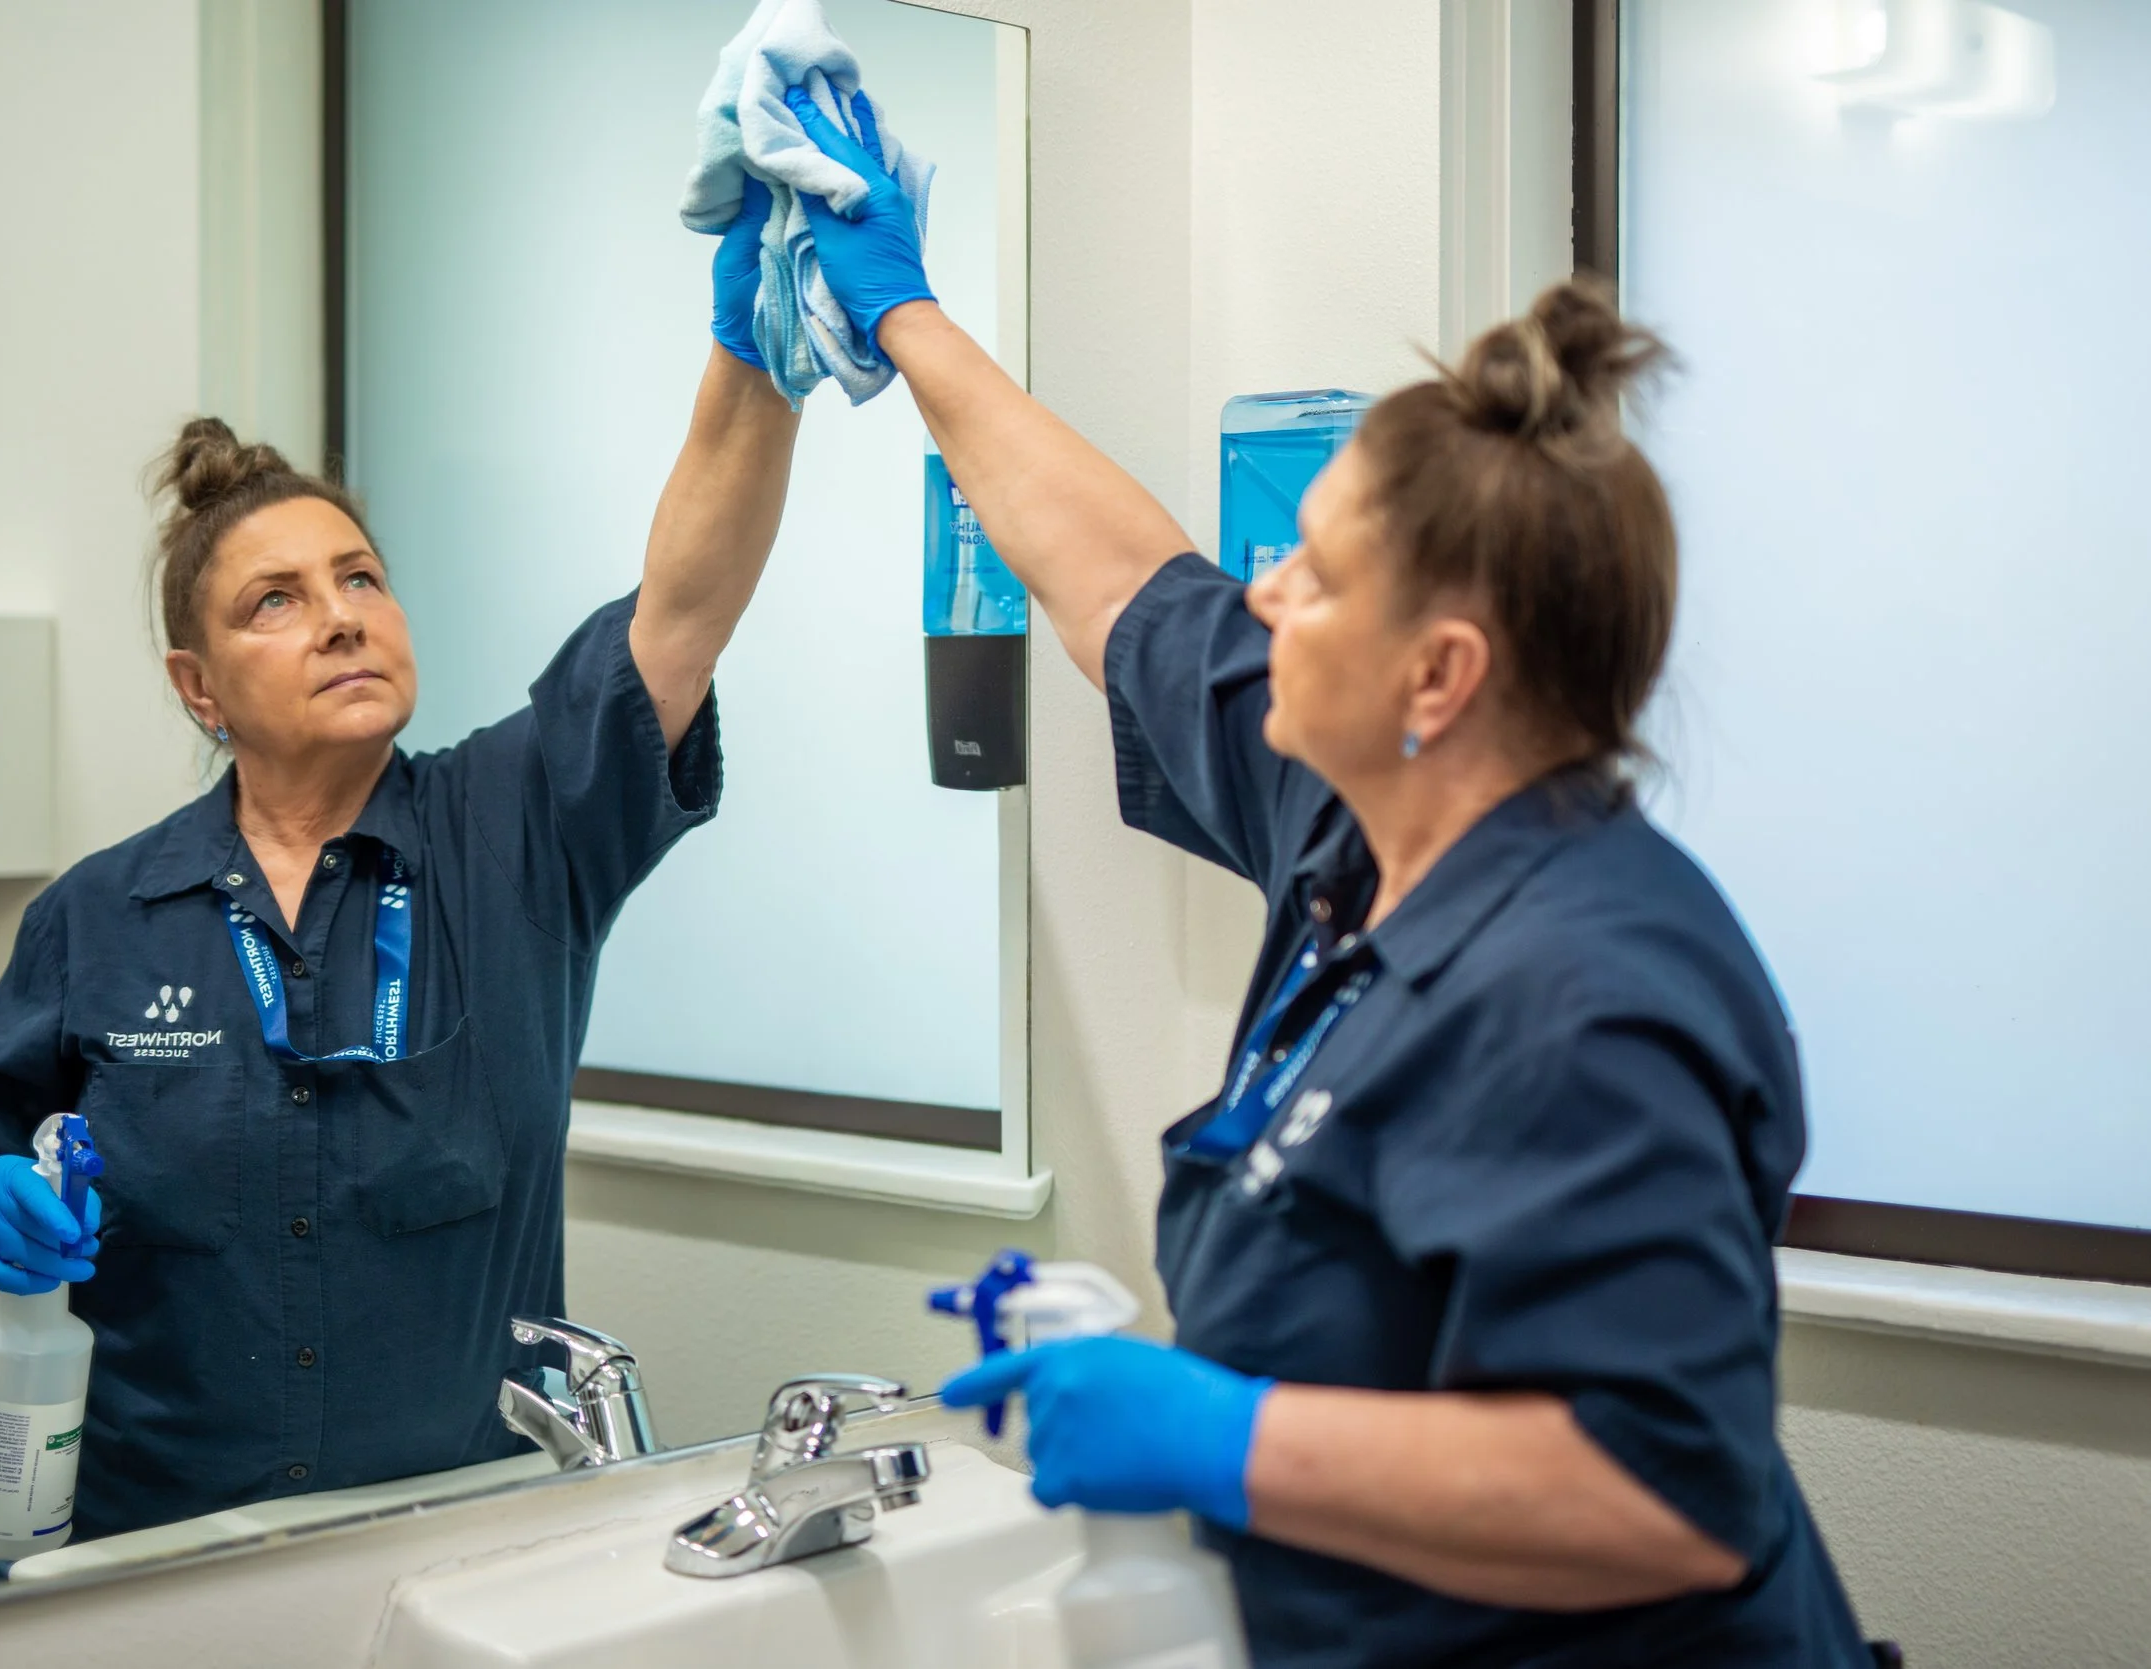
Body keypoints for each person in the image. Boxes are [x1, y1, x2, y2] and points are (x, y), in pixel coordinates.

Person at [783, 88, 1878, 1668]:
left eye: (1315, 572)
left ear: (1438, 676)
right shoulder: (1360, 833)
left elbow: (1665, 1491)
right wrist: (904, 314)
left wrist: (1228, 1437)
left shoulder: (1590, 986)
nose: (1267, 591)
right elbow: (1121, 587)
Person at [0, 178, 798, 1587]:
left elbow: (684, 606)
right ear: (197, 689)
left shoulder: (519, 827)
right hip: (147, 1565)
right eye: (276, 599)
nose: (338, 616)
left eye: (360, 578)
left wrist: (754, 363)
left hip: (457, 1562)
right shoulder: (97, 912)